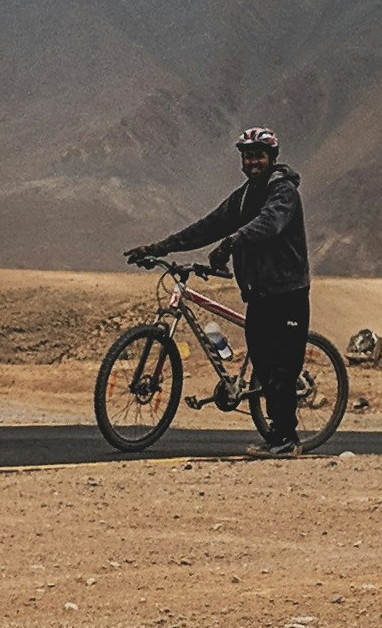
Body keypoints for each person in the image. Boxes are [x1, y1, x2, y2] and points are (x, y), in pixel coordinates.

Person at [126, 127, 314, 453]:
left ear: (272, 158)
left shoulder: (283, 192)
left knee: (282, 368)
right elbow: (207, 226)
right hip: (258, 294)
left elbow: (271, 223)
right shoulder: (243, 197)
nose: (253, 161)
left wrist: (233, 241)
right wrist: (159, 247)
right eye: (247, 155)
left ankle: (287, 439)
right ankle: (278, 435)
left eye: (259, 155)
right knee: (265, 366)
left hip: (288, 293)